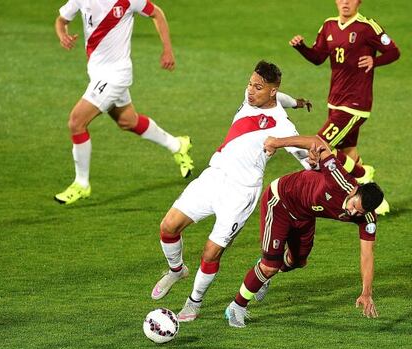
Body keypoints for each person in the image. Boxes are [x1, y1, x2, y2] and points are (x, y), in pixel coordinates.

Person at [150, 61, 312, 322]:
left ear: (270, 91)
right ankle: (177, 270)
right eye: (249, 84)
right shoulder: (253, 100)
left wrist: (321, 167)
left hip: (240, 193)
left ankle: (194, 303)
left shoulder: (283, 127)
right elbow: (280, 96)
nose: (250, 91)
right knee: (168, 227)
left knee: (211, 252)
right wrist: (296, 101)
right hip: (213, 177)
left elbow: (306, 158)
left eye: (258, 87)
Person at [225, 135, 383, 328]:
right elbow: (315, 142)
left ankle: (262, 273)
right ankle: (237, 306)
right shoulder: (340, 179)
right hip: (280, 201)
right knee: (270, 266)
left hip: (305, 216)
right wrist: (277, 142)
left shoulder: (367, 218)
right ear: (354, 191)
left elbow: (367, 254)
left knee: (297, 261)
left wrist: (366, 292)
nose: (352, 212)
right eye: (353, 205)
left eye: (359, 212)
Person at [53, 0, 194, 205]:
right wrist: (62, 34)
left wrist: (167, 50)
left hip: (116, 75)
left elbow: (157, 14)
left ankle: (81, 184)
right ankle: (177, 145)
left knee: (76, 122)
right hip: (97, 74)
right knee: (128, 121)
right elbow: (61, 20)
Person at [289, 0, 400, 214]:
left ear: (359, 2)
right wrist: (301, 47)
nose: (345, 2)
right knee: (347, 151)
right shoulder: (329, 25)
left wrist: (373, 61)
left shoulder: (368, 27)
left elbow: (393, 52)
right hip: (335, 101)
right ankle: (371, 193)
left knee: (320, 144)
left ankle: (361, 176)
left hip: (356, 104)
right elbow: (318, 57)